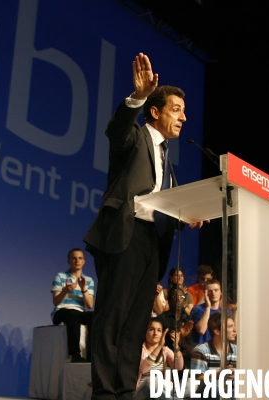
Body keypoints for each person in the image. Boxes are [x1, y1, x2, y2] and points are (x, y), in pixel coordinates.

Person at [83, 53, 204, 400]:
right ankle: (104, 393)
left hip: (153, 240)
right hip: (125, 233)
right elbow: (115, 129)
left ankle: (124, 391)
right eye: (176, 109)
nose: (183, 116)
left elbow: (163, 203)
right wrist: (136, 97)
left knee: (136, 322)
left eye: (183, 110)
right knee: (112, 318)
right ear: (155, 111)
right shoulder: (135, 138)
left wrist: (187, 215)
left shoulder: (168, 158)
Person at [51, 248, 94, 363]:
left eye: (80, 258)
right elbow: (55, 302)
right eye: (74, 258)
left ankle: (93, 355)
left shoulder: (88, 280)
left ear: (83, 262)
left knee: (95, 317)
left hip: (79, 313)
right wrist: (65, 290)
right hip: (61, 311)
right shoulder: (60, 276)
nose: (77, 261)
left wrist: (84, 289)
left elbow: (90, 305)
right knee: (73, 314)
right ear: (68, 261)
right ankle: (74, 354)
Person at [133, 317, 184, 400]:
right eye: (151, 329)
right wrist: (159, 347)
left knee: (190, 383)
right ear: (145, 332)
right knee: (151, 380)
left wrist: (176, 347)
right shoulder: (140, 350)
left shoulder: (165, 350)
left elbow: (179, 367)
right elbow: (143, 368)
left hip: (162, 391)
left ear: (162, 334)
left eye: (159, 330)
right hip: (142, 391)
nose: (155, 333)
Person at [190, 312, 237, 399]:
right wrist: (219, 375)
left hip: (230, 392)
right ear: (217, 331)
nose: (235, 330)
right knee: (215, 384)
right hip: (207, 394)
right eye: (230, 326)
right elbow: (196, 379)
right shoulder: (201, 350)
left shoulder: (237, 351)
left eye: (234, 325)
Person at [190, 279, 229, 345]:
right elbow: (201, 330)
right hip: (202, 349)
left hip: (220, 348)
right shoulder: (197, 309)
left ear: (220, 292)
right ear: (205, 293)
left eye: (216, 290)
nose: (213, 293)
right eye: (210, 291)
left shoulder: (226, 312)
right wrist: (208, 307)